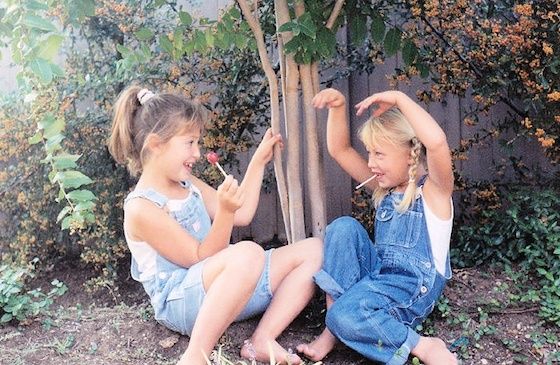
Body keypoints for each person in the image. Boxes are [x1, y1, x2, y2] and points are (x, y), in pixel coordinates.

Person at [108, 85, 322, 365]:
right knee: (248, 253)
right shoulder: (142, 207)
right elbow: (200, 258)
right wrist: (223, 212)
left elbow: (242, 214)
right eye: (189, 143)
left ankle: (262, 340)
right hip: (182, 303)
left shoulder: (188, 184)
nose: (197, 153)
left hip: (227, 291)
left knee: (314, 250)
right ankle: (195, 356)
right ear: (156, 144)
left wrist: (258, 163)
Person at [297, 88, 458, 365]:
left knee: (345, 315)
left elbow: (438, 143)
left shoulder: (433, 193)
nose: (371, 163)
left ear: (410, 155)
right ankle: (332, 331)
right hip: (378, 280)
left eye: (379, 154)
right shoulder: (384, 191)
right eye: (370, 153)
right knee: (343, 227)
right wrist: (338, 107)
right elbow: (340, 150)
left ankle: (422, 346)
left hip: (410, 292)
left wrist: (399, 98)